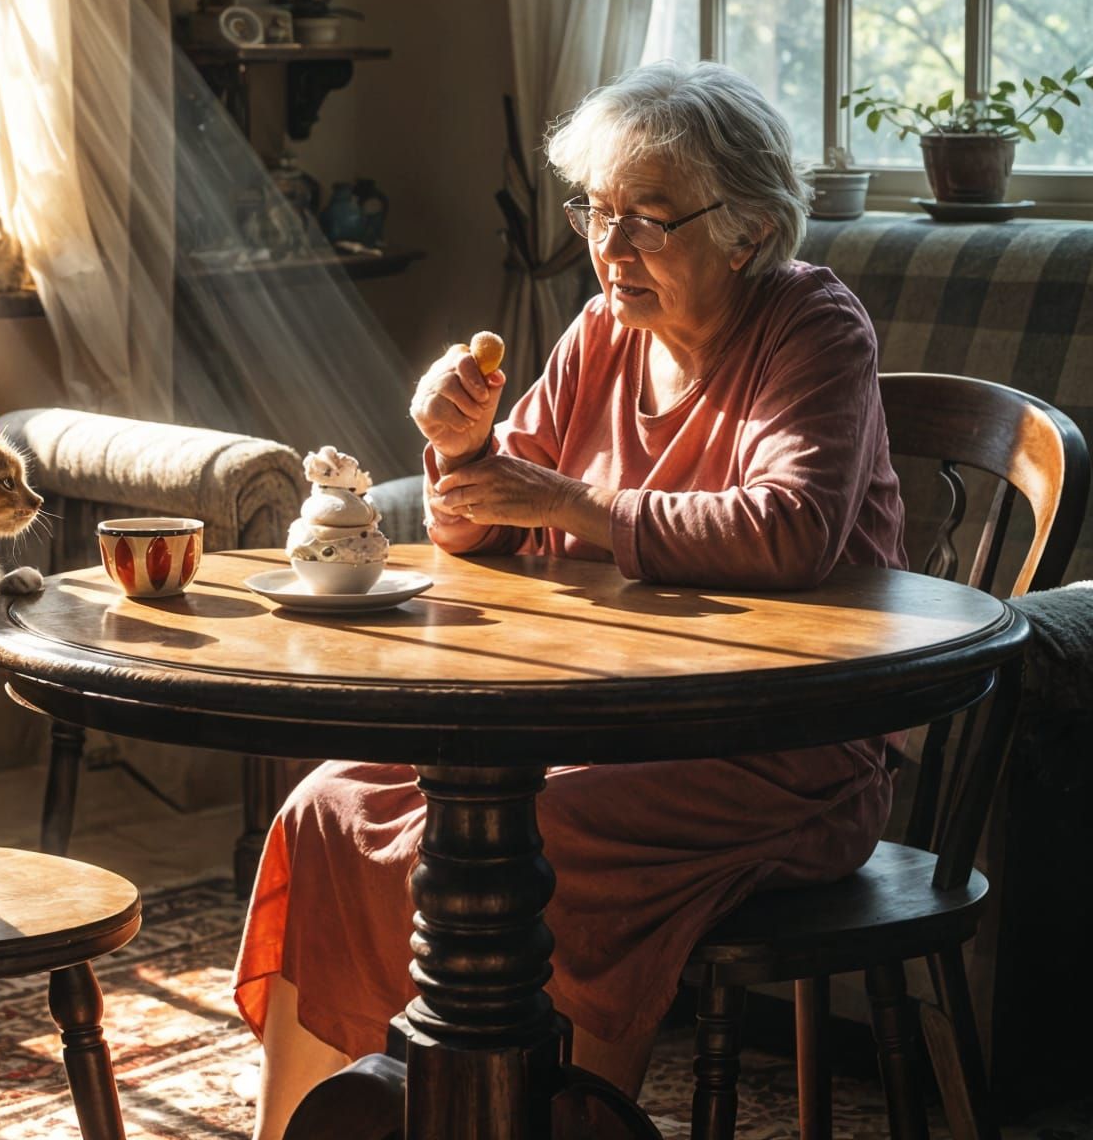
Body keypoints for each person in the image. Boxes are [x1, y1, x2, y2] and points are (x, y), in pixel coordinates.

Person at [233, 60, 909, 1139]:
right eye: (598, 211)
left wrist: (563, 499)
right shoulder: (604, 329)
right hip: (594, 720)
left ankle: (543, 1122)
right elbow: (486, 526)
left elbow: (789, 528)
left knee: (535, 840)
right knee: (328, 807)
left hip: (776, 747)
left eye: (650, 218)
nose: (612, 247)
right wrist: (464, 451)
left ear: (747, 230)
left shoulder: (812, 324)